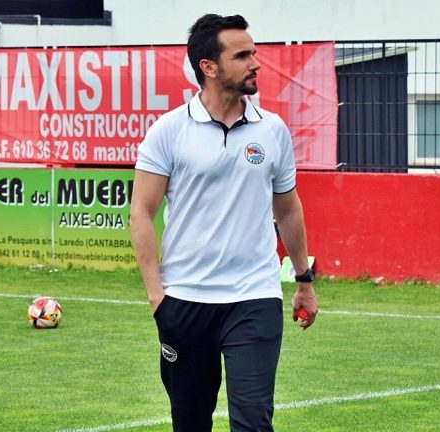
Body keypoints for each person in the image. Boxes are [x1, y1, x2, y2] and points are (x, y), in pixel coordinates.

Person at [129, 13, 319, 432]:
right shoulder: (168, 131)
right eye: (243, 55)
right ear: (209, 67)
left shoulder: (273, 131)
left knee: (253, 422)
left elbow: (288, 209)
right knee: (191, 422)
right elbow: (141, 212)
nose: (256, 63)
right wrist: (157, 297)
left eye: (254, 52)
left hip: (255, 297)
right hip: (184, 301)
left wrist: (304, 281)